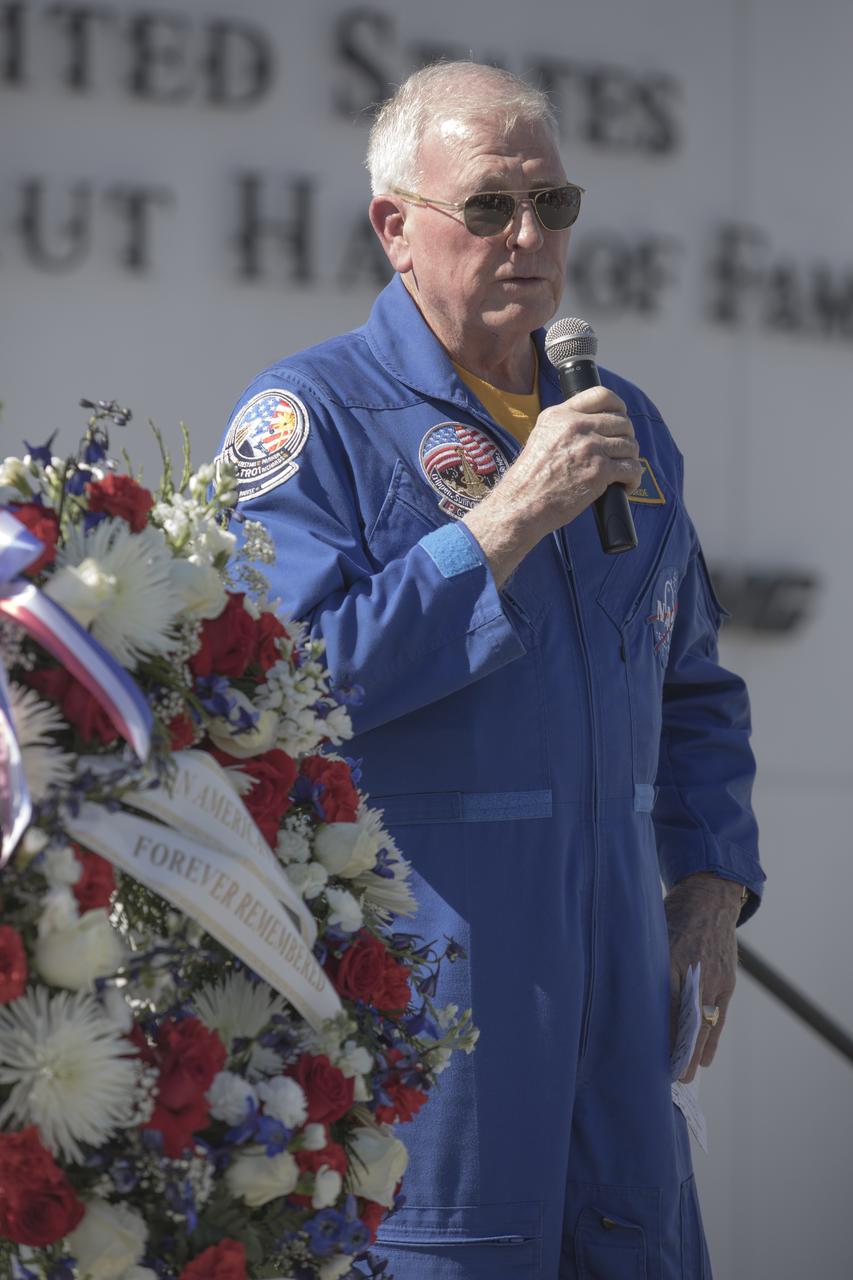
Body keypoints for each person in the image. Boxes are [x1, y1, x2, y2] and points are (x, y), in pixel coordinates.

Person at [217, 60, 764, 1280]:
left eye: (553, 205)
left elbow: (694, 687)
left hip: (618, 1005)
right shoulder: (310, 421)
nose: (529, 238)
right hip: (434, 1006)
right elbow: (286, 689)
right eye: (489, 207)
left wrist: (714, 879)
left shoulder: (622, 422)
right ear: (394, 227)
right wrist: (501, 526)